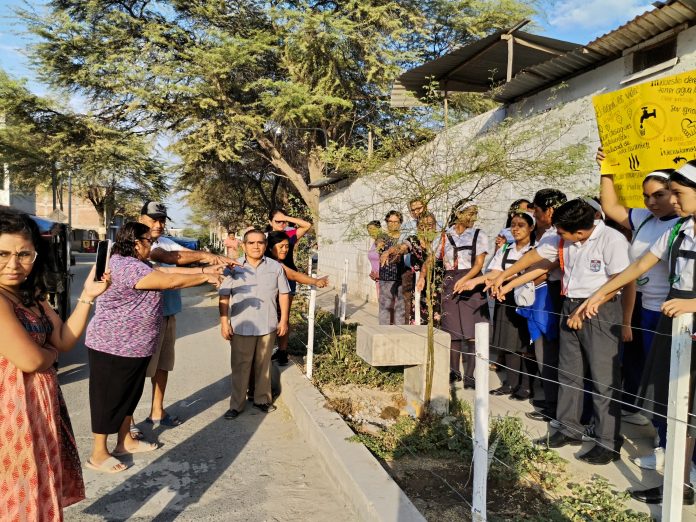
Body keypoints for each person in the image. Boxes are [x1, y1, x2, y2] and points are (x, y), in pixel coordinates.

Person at [577, 160, 696, 504]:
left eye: (678, 192)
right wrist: (599, 295)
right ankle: (679, 481)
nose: (672, 200)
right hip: (673, 325)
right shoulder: (677, 231)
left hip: (686, 317)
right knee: (675, 404)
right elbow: (638, 266)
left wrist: (693, 304)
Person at [488, 198, 631, 465]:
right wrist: (505, 280)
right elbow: (538, 257)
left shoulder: (612, 240)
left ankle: (607, 441)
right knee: (569, 372)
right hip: (569, 306)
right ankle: (569, 428)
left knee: (602, 379)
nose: (557, 238)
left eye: (561, 233)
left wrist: (596, 307)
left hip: (601, 309)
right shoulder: (566, 237)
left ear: (579, 231)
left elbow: (621, 280)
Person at [85, 222, 222, 473]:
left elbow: (163, 270)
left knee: (130, 395)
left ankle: (124, 442)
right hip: (113, 345)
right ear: (135, 242)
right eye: (148, 240)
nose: (152, 244)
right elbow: (168, 281)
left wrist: (205, 269)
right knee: (108, 399)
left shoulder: (139, 263)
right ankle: (98, 453)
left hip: (136, 346)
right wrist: (205, 276)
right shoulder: (125, 266)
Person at [0, 208, 110, 519]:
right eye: (3, 253)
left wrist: (88, 295)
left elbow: (63, 339)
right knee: (15, 498)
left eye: (24, 254)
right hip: (9, 417)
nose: (13, 264)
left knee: (38, 488)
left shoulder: (31, 296)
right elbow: (32, 359)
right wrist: (50, 357)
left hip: (38, 410)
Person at [596, 149, 680, 465]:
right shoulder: (646, 219)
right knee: (652, 380)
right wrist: (607, 169)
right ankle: (661, 436)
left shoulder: (685, 225)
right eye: (647, 197)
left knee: (668, 385)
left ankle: (673, 449)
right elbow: (611, 206)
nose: (652, 202)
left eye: (660, 194)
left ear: (678, 192)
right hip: (646, 308)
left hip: (670, 313)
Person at [136, 201, 237, 433]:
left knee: (163, 366)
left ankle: (157, 411)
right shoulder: (135, 243)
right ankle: (127, 422)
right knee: (137, 371)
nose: (158, 224)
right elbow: (172, 259)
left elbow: (182, 254)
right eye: (153, 219)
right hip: (142, 318)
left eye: (162, 220)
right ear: (141, 218)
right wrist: (208, 259)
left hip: (168, 312)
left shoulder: (163, 241)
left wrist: (214, 260)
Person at [491, 188, 566, 422]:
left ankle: (556, 407)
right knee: (543, 351)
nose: (533, 213)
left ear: (549, 211)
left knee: (547, 352)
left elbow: (543, 269)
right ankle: (552, 404)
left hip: (551, 295)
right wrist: (506, 280)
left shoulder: (561, 234)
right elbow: (532, 262)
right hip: (541, 294)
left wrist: (508, 282)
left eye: (536, 209)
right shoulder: (551, 236)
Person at [458, 210, 536, 399]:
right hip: (505, 299)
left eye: (521, 225)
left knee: (526, 345)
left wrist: (506, 283)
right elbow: (495, 271)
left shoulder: (536, 249)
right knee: (508, 344)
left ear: (531, 227)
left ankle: (526, 386)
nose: (516, 229)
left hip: (528, 300)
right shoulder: (506, 249)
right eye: (513, 225)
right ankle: (510, 383)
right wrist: (475, 282)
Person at [219, 229, 290, 418]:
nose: (256, 246)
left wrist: (284, 320)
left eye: (260, 243)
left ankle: (262, 400)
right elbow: (224, 296)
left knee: (263, 365)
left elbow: (284, 293)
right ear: (244, 246)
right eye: (251, 243)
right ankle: (236, 405)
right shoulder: (233, 268)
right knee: (240, 366)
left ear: (265, 245)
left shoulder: (275, 267)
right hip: (242, 325)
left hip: (268, 325)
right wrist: (224, 322)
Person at [434, 201, 489, 386]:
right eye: (469, 213)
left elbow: (479, 264)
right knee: (452, 329)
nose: (473, 217)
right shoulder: (444, 236)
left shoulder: (478, 235)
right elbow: (433, 259)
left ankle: (471, 375)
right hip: (450, 280)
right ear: (458, 214)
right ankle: (454, 371)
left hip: (472, 281)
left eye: (475, 213)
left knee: (473, 330)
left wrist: (467, 280)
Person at [267, 208, 313, 365]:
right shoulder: (265, 239)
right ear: (270, 222)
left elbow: (306, 225)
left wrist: (286, 217)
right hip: (270, 280)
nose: (281, 223)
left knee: (284, 316)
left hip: (289, 278)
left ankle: (282, 351)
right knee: (271, 314)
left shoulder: (290, 235)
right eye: (277, 221)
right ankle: (264, 349)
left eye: (283, 221)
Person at [378, 210, 407, 325]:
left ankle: (399, 332)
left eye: (396, 222)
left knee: (401, 308)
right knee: (385, 307)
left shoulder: (404, 237)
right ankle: (384, 332)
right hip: (386, 277)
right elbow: (378, 243)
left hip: (402, 277)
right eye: (390, 221)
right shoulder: (382, 237)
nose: (393, 224)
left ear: (400, 223)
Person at [367, 220, 383, 296]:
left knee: (387, 305)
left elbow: (389, 260)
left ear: (379, 229)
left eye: (373, 229)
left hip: (385, 279)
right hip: (377, 279)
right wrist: (372, 272)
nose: (371, 232)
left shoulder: (382, 242)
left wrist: (381, 273)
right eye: (369, 230)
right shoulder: (374, 242)